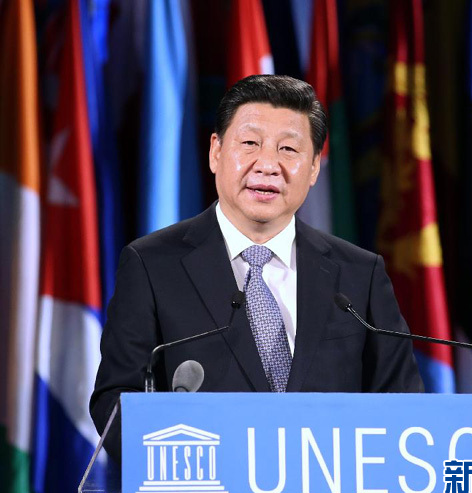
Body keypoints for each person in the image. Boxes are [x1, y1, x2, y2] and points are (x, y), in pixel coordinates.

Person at [90, 75, 423, 459]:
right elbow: (116, 402)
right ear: (216, 152)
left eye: (288, 149)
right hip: (206, 491)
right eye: (249, 143)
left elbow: (404, 406)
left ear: (314, 167)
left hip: (333, 492)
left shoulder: (359, 274)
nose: (267, 165)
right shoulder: (152, 265)